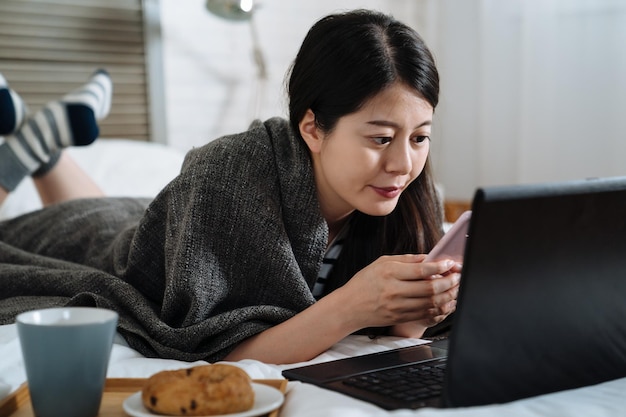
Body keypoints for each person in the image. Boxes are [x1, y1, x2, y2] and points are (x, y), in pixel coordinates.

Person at [0, 9, 460, 364]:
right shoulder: (230, 177)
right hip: (105, 242)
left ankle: (43, 145)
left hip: (130, 212)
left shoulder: (407, 197)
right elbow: (206, 347)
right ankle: (22, 155)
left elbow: (399, 335)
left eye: (420, 137)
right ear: (313, 129)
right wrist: (352, 305)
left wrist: (416, 312)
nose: (403, 163)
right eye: (380, 139)